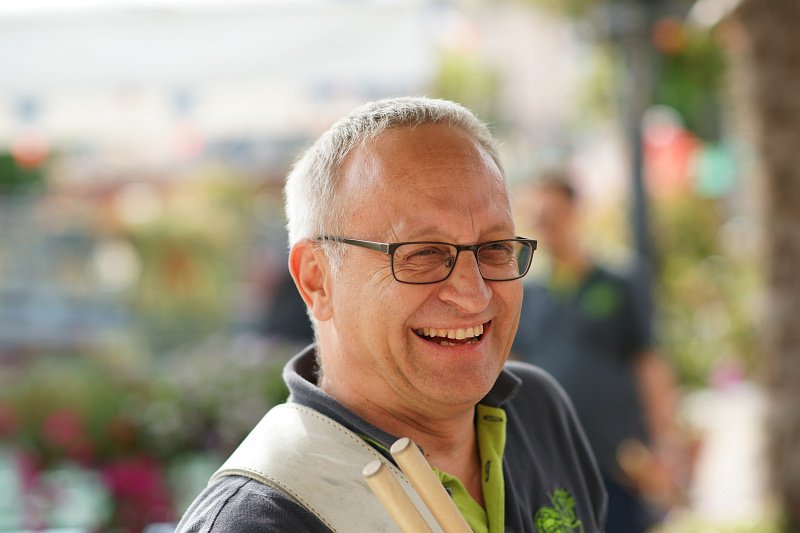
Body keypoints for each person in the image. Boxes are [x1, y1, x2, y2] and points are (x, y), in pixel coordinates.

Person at [176, 97, 607, 532]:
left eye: (495, 248)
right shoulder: (255, 521)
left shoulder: (537, 411)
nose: (473, 295)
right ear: (316, 279)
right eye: (423, 253)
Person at [512, 173, 687, 532]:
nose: (547, 226)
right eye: (539, 218)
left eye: (554, 215)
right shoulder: (526, 296)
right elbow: (515, 371)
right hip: (552, 461)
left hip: (618, 459)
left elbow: (649, 364)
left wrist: (664, 444)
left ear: (575, 212)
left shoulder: (619, 283)